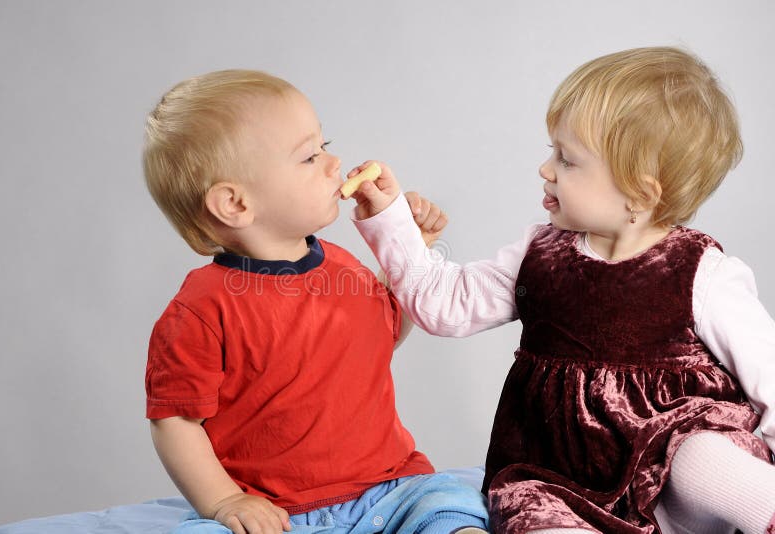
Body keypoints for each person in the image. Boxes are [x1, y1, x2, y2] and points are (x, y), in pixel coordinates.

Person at [350, 47, 775, 533]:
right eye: (552, 151)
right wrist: (392, 221)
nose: (546, 169)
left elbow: (769, 377)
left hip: (669, 488)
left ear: (639, 192)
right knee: (534, 519)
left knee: (701, 455)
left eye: (567, 160)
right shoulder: (540, 254)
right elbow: (445, 306)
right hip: (554, 479)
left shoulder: (702, 273)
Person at [142, 70, 489, 534]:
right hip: (274, 512)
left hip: (389, 488)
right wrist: (225, 502)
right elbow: (176, 422)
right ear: (235, 204)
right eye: (309, 156)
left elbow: (383, 332)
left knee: (449, 503)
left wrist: (412, 248)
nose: (334, 163)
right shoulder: (202, 310)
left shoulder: (342, 267)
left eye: (325, 145)